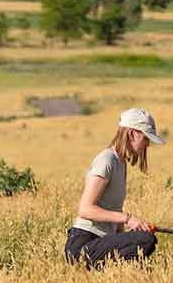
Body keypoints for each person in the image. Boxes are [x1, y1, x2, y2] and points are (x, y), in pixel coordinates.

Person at [64, 108, 165, 268]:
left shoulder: (120, 163)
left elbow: (114, 216)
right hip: (83, 243)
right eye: (145, 138)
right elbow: (85, 209)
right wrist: (128, 218)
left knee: (144, 240)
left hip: (100, 241)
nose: (147, 145)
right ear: (132, 134)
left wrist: (129, 233)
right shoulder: (107, 160)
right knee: (146, 240)